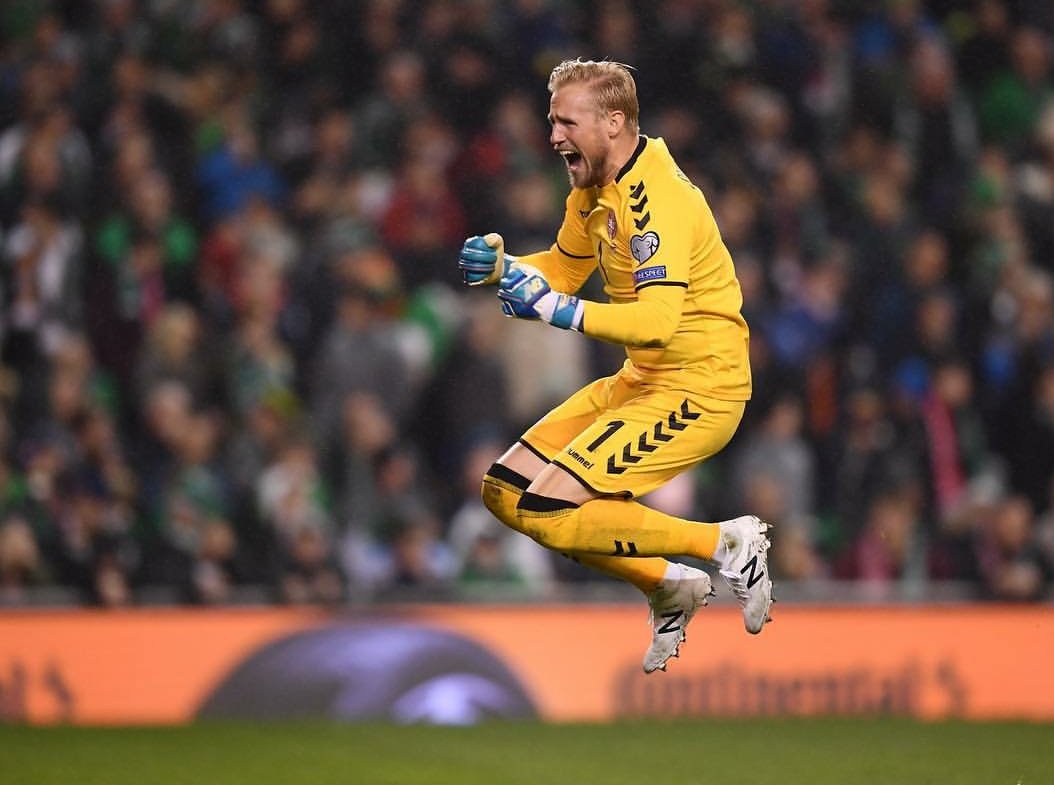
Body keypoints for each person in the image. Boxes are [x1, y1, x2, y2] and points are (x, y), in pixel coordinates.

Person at [457, 59, 773, 674]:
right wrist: (507, 267)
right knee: (503, 492)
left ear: (614, 122)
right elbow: (565, 267)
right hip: (642, 380)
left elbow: (654, 321)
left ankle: (725, 543)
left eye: (566, 122)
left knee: (552, 508)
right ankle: (668, 584)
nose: (553, 136)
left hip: (701, 387)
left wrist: (555, 309)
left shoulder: (657, 200)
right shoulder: (594, 188)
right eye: (552, 121)